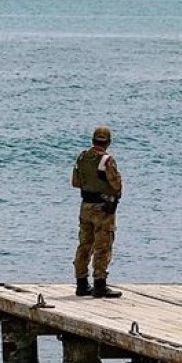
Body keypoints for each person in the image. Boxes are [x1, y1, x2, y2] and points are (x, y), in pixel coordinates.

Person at [71, 126, 123, 298]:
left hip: (85, 205)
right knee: (103, 245)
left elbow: (75, 182)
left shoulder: (82, 157)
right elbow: (116, 185)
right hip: (103, 208)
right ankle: (99, 284)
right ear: (108, 142)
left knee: (84, 244)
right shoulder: (107, 160)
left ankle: (81, 284)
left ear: (93, 140)